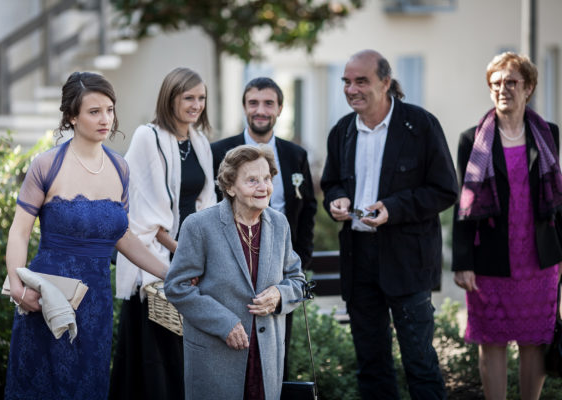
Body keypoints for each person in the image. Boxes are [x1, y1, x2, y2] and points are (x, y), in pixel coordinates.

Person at [4, 71, 168, 400]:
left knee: (87, 388)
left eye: (109, 109)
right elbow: (19, 231)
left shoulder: (120, 168)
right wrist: (19, 289)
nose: (105, 119)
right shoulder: (46, 165)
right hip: (47, 297)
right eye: (94, 112)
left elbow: (125, 238)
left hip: (96, 303)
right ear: (72, 117)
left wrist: (173, 272)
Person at [320, 49, 458, 399]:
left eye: (361, 81)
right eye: (347, 82)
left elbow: (445, 190)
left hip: (407, 260)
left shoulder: (420, 125)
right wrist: (336, 199)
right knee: (371, 365)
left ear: (385, 82)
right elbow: (331, 182)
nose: (351, 89)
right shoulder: (341, 131)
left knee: (420, 362)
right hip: (358, 259)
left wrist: (393, 209)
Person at [452, 52, 562, 400]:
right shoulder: (472, 139)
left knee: (535, 341)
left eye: (512, 82)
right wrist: (462, 261)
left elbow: (557, 200)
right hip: (491, 257)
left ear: (528, 87)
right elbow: (464, 204)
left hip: (539, 257)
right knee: (492, 341)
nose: (503, 89)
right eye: (496, 84)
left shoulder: (549, 135)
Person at [165, 145, 306, 400]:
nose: (263, 187)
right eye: (252, 180)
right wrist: (224, 323)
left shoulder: (279, 223)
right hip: (216, 355)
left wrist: (279, 295)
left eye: (267, 178)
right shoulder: (199, 226)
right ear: (230, 187)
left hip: (266, 359)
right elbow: (177, 286)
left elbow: (298, 281)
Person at [109, 67, 216, 400]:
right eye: (189, 98)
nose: (196, 105)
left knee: (189, 354)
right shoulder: (148, 137)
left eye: (201, 98)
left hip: (193, 257)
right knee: (159, 359)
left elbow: (207, 203)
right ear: (171, 98)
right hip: (156, 261)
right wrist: (184, 255)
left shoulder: (199, 142)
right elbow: (142, 215)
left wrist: (205, 255)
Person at [211, 77, 316, 378]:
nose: (260, 110)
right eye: (253, 103)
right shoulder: (219, 150)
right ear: (244, 107)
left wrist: (300, 259)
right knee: (231, 353)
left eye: (268, 103)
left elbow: (308, 207)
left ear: (280, 108)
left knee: (276, 354)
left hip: (279, 270)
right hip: (229, 267)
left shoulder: (296, 155)